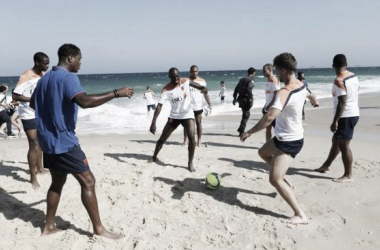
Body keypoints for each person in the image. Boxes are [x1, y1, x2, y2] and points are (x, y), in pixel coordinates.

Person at [30, 44, 134, 239]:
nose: (80, 63)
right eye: (79, 59)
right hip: (64, 142)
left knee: (57, 182)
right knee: (88, 181)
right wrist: (115, 93)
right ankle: (99, 230)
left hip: (47, 141)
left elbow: (33, 103)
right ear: (70, 58)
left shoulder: (43, 80)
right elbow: (84, 101)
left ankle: (49, 226)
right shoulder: (68, 77)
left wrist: (52, 111)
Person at [240, 53, 319, 225]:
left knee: (274, 179)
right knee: (262, 153)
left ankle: (300, 214)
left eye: (277, 70)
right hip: (286, 136)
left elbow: (269, 118)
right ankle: (285, 180)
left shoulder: (285, 91)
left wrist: (249, 132)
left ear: (284, 70)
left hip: (289, 141)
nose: (276, 74)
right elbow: (311, 94)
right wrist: (314, 101)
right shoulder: (302, 84)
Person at [149, 67, 208, 172]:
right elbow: (159, 106)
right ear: (169, 77)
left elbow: (197, 85)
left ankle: (190, 163)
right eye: (173, 77)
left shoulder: (185, 81)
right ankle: (154, 156)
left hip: (187, 114)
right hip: (174, 116)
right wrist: (153, 123)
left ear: (179, 75)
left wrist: (203, 89)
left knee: (191, 139)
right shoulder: (166, 89)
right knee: (162, 139)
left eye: (177, 76)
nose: (176, 79)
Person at [315, 54, 359, 183]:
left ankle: (348, 175)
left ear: (333, 66)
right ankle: (326, 165)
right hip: (354, 112)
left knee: (344, 145)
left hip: (346, 115)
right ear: (347, 64)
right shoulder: (353, 76)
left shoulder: (339, 80)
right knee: (336, 140)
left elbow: (342, 102)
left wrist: (335, 121)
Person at [13, 52, 50, 188]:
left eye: (48, 63)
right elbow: (15, 95)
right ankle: (32, 177)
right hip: (28, 113)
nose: (47, 66)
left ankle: (40, 169)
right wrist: (33, 100)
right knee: (33, 144)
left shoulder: (42, 74)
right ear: (37, 63)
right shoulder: (26, 76)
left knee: (39, 142)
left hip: (39, 112)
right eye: (45, 63)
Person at [182, 65, 212, 147]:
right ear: (190, 71)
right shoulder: (186, 81)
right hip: (187, 106)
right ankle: (185, 140)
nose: (194, 73)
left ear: (198, 71)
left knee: (199, 123)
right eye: (193, 71)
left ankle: (199, 141)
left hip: (198, 106)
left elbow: (205, 93)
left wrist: (209, 104)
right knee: (186, 124)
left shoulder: (202, 81)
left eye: (196, 71)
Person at [233, 67, 255, 136]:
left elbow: (236, 88)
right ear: (253, 73)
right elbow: (249, 89)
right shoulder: (250, 80)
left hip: (240, 99)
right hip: (246, 99)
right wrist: (250, 98)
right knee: (246, 115)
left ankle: (241, 129)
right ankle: (241, 130)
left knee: (245, 114)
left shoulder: (242, 79)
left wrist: (234, 98)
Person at [262, 64, 281, 141]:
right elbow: (269, 94)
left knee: (277, 128)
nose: (263, 72)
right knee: (267, 127)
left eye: (264, 70)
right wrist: (266, 104)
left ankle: (279, 145)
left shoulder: (273, 80)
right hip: (267, 107)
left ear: (270, 70)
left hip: (273, 108)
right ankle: (267, 144)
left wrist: (270, 105)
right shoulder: (268, 80)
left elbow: (277, 93)